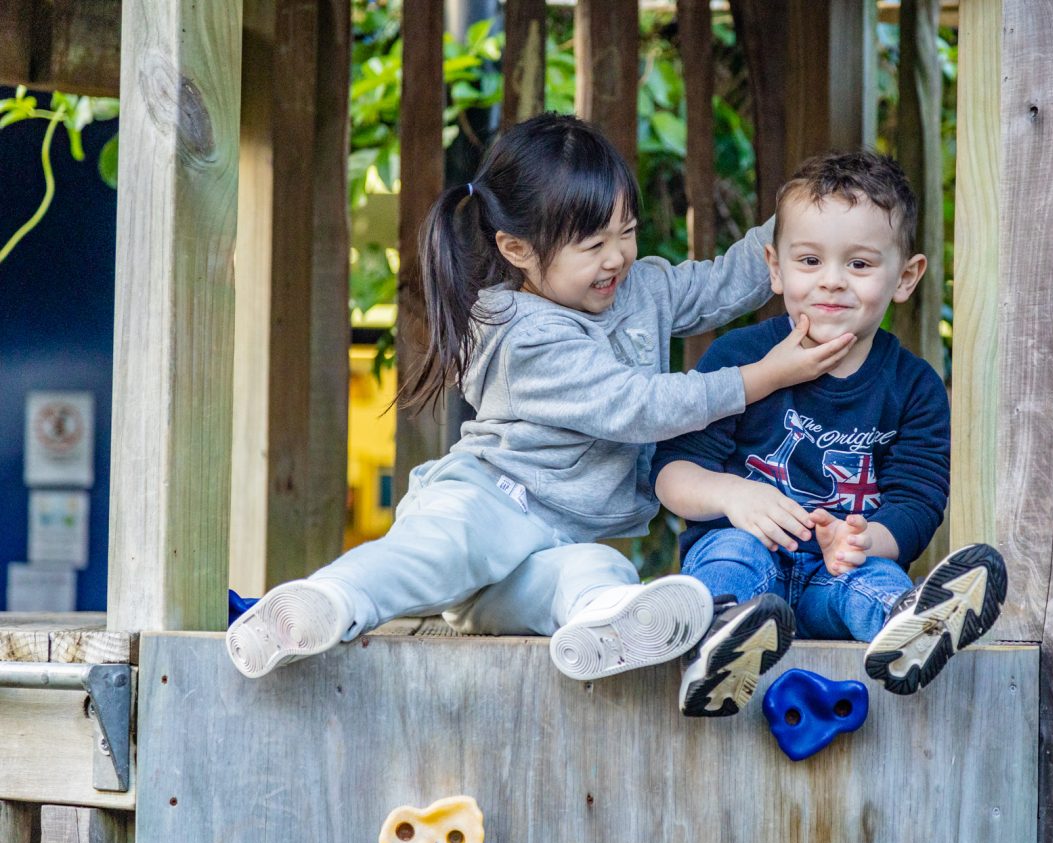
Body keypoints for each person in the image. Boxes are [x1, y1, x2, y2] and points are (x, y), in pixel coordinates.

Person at [225, 113, 857, 683]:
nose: (618, 257)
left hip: (552, 543)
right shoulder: (518, 332)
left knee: (598, 576)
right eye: (592, 246)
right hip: (488, 503)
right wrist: (762, 376)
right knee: (435, 555)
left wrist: (814, 218)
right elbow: (634, 404)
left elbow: (725, 281)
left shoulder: (641, 289)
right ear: (517, 248)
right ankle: (317, 607)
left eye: (626, 232)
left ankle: (602, 631)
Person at [653, 150, 1007, 714]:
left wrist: (864, 540)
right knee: (735, 555)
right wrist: (732, 494)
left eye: (860, 265)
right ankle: (717, 649)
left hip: (829, 577)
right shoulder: (740, 358)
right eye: (811, 260)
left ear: (906, 277)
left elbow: (917, 501)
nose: (833, 282)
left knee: (869, 578)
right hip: (742, 557)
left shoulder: (913, 387)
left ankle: (909, 627)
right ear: (776, 268)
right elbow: (671, 474)